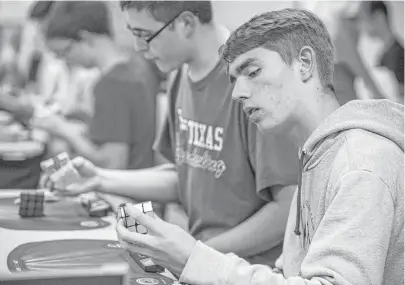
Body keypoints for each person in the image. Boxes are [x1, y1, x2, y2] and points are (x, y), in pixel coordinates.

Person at [115, 8, 404, 284]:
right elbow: (294, 272)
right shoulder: (315, 155)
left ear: (304, 64)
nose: (239, 93)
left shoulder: (360, 164)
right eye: (234, 80)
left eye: (252, 72)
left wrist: (195, 258)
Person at [47, 0, 299, 267]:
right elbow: (186, 175)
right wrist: (99, 179)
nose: (139, 48)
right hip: (201, 262)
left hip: (246, 270)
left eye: (145, 35)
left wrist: (193, 251)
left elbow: (287, 208)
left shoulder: (252, 83)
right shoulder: (180, 75)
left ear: (186, 23)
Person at [32, 1, 159, 171]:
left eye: (64, 52)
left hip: (121, 192)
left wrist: (63, 130)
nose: (65, 60)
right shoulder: (138, 66)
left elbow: (112, 163)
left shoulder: (112, 84)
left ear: (85, 38)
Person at [360, 1, 404, 103]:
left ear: (379, 17)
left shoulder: (399, 55)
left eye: (364, 19)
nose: (363, 26)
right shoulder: (381, 56)